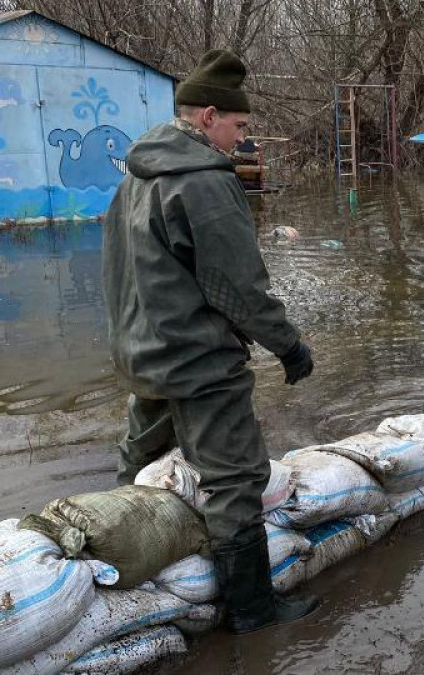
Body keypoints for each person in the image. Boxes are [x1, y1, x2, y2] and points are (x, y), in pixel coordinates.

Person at [102, 49, 318, 633]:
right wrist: (288, 345)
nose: (242, 141)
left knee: (139, 458)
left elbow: (119, 269)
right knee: (235, 478)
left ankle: (119, 556)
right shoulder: (203, 182)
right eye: (239, 128)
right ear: (208, 118)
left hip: (142, 353)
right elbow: (238, 286)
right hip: (197, 361)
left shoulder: (136, 176)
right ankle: (252, 612)